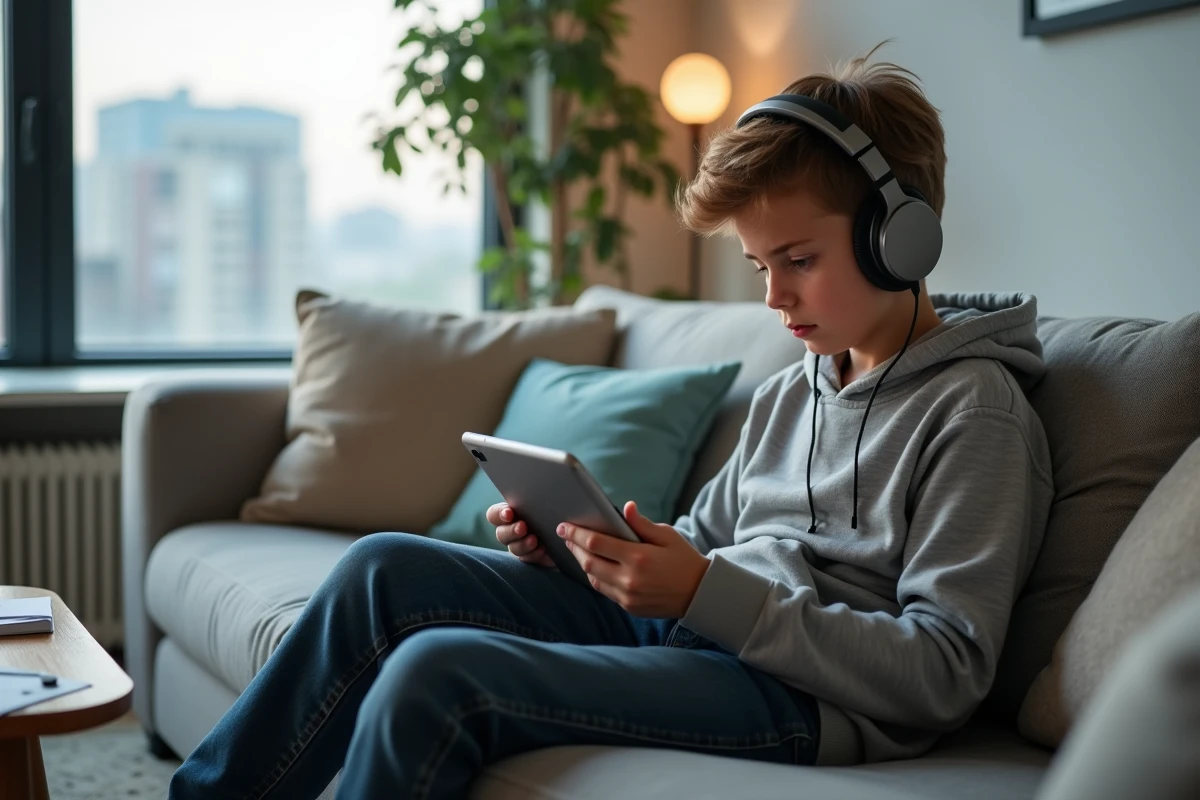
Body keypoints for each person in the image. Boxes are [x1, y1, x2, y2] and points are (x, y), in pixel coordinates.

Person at [169, 43, 1054, 799]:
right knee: (381, 570)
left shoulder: (975, 412)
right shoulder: (798, 389)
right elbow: (702, 540)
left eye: (798, 260)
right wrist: (583, 550)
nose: (774, 298)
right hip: (701, 632)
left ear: (898, 238)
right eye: (760, 267)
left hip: (802, 697)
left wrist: (704, 594)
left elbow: (944, 670)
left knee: (438, 674)